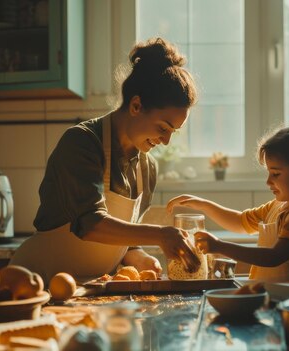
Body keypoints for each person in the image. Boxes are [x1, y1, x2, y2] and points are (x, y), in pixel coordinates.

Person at [11, 38, 201, 282]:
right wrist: (161, 235)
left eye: (172, 132)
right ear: (136, 105)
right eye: (163, 127)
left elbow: (122, 242)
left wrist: (137, 256)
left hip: (91, 291)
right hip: (37, 283)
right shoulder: (81, 142)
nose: (165, 141)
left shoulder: (147, 169)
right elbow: (91, 224)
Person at [167, 98, 289, 282]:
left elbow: (273, 256)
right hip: (271, 300)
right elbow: (240, 222)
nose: (268, 181)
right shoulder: (276, 207)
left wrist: (220, 246)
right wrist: (203, 205)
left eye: (276, 174)